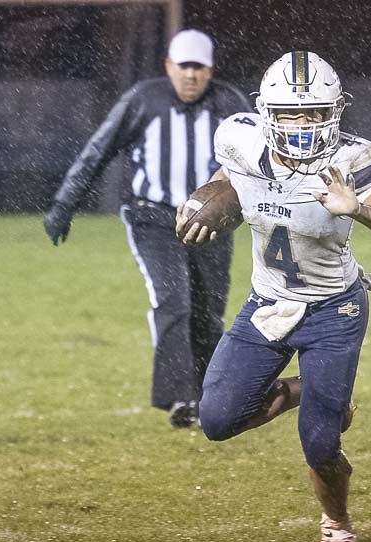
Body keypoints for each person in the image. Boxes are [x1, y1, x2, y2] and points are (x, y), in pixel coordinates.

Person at [175, 51, 371, 542]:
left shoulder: (353, 158)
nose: (302, 124)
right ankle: (315, 390)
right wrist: (210, 201)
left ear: (336, 112)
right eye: (290, 113)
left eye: (313, 113)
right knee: (217, 419)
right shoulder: (240, 140)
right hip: (268, 302)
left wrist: (361, 210)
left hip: (335, 310)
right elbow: (228, 183)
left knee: (321, 444)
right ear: (268, 113)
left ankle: (337, 522)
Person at [43, 29, 252, 428]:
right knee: (174, 301)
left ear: (210, 71)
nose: (191, 75)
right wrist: (64, 203)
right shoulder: (144, 99)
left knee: (209, 312)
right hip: (153, 217)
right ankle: (180, 399)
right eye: (184, 66)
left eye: (199, 67)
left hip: (211, 221)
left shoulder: (229, 104)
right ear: (169, 66)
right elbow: (99, 148)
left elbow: (261, 155)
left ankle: (210, 396)